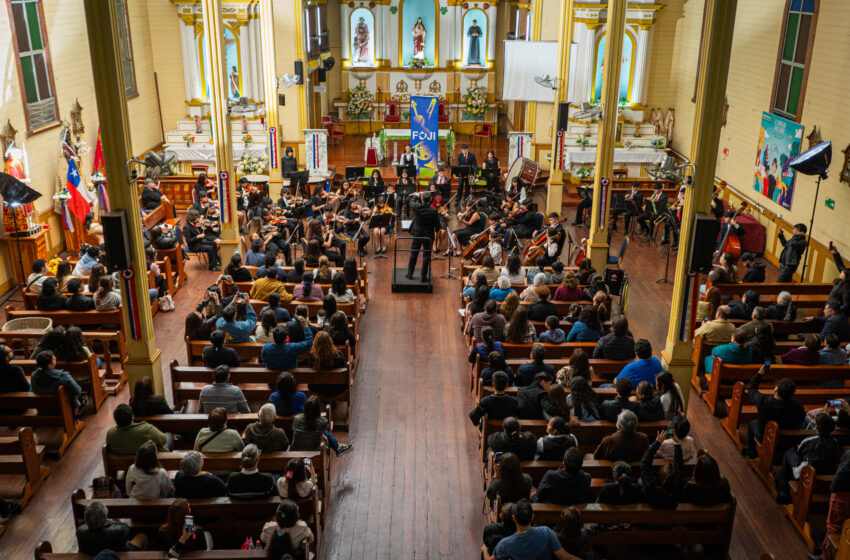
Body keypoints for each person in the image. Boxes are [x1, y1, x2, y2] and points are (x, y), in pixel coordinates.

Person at [483, 499, 578, 560]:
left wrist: (484, 550)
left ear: (514, 518)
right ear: (532, 517)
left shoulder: (505, 545)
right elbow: (564, 556)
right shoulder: (546, 533)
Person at [775, 413, 839, 504]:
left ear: (817, 427)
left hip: (805, 475)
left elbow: (799, 452)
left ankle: (783, 490)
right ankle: (781, 480)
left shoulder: (809, 440)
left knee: (788, 453)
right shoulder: (835, 442)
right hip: (826, 474)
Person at [747, 365, 806, 458]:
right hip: (787, 440)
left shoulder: (763, 401)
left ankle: (752, 453)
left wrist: (759, 374)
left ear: (776, 389)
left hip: (766, 437)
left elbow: (751, 389)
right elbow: (800, 421)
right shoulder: (798, 406)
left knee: (752, 423)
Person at [76, 501, 148, 554]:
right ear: (105, 517)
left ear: (86, 519)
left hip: (93, 555)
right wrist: (113, 522)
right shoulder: (119, 530)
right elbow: (125, 528)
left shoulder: (80, 532)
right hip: (118, 556)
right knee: (142, 537)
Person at [641, 430, 686, 509]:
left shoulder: (650, 487)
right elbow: (679, 466)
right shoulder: (679, 488)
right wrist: (677, 443)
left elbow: (645, 464)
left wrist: (657, 443)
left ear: (659, 476)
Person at [406, 192, 439, 282]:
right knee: (426, 256)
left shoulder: (416, 207)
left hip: (417, 234)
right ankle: (423, 277)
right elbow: (437, 225)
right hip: (428, 236)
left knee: (414, 254)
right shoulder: (433, 210)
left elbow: (410, 200)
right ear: (431, 199)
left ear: (422, 199)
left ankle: (409, 274)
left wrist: (417, 195)